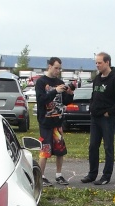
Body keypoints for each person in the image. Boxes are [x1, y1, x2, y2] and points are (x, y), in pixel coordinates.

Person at [81, 52, 115, 185]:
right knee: (93, 146)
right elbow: (94, 95)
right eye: (96, 62)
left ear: (107, 62)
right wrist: (92, 106)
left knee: (108, 147)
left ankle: (106, 176)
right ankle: (92, 174)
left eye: (99, 62)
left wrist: (110, 112)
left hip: (107, 119)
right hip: (95, 118)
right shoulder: (97, 78)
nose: (97, 65)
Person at [35, 57, 74, 186]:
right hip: (46, 121)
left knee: (60, 150)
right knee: (45, 150)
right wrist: (54, 91)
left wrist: (70, 93)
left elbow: (65, 101)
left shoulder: (60, 81)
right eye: (56, 68)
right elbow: (41, 99)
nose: (58, 70)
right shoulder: (41, 82)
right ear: (49, 66)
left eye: (59, 68)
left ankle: (59, 174)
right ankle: (41, 176)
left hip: (57, 121)